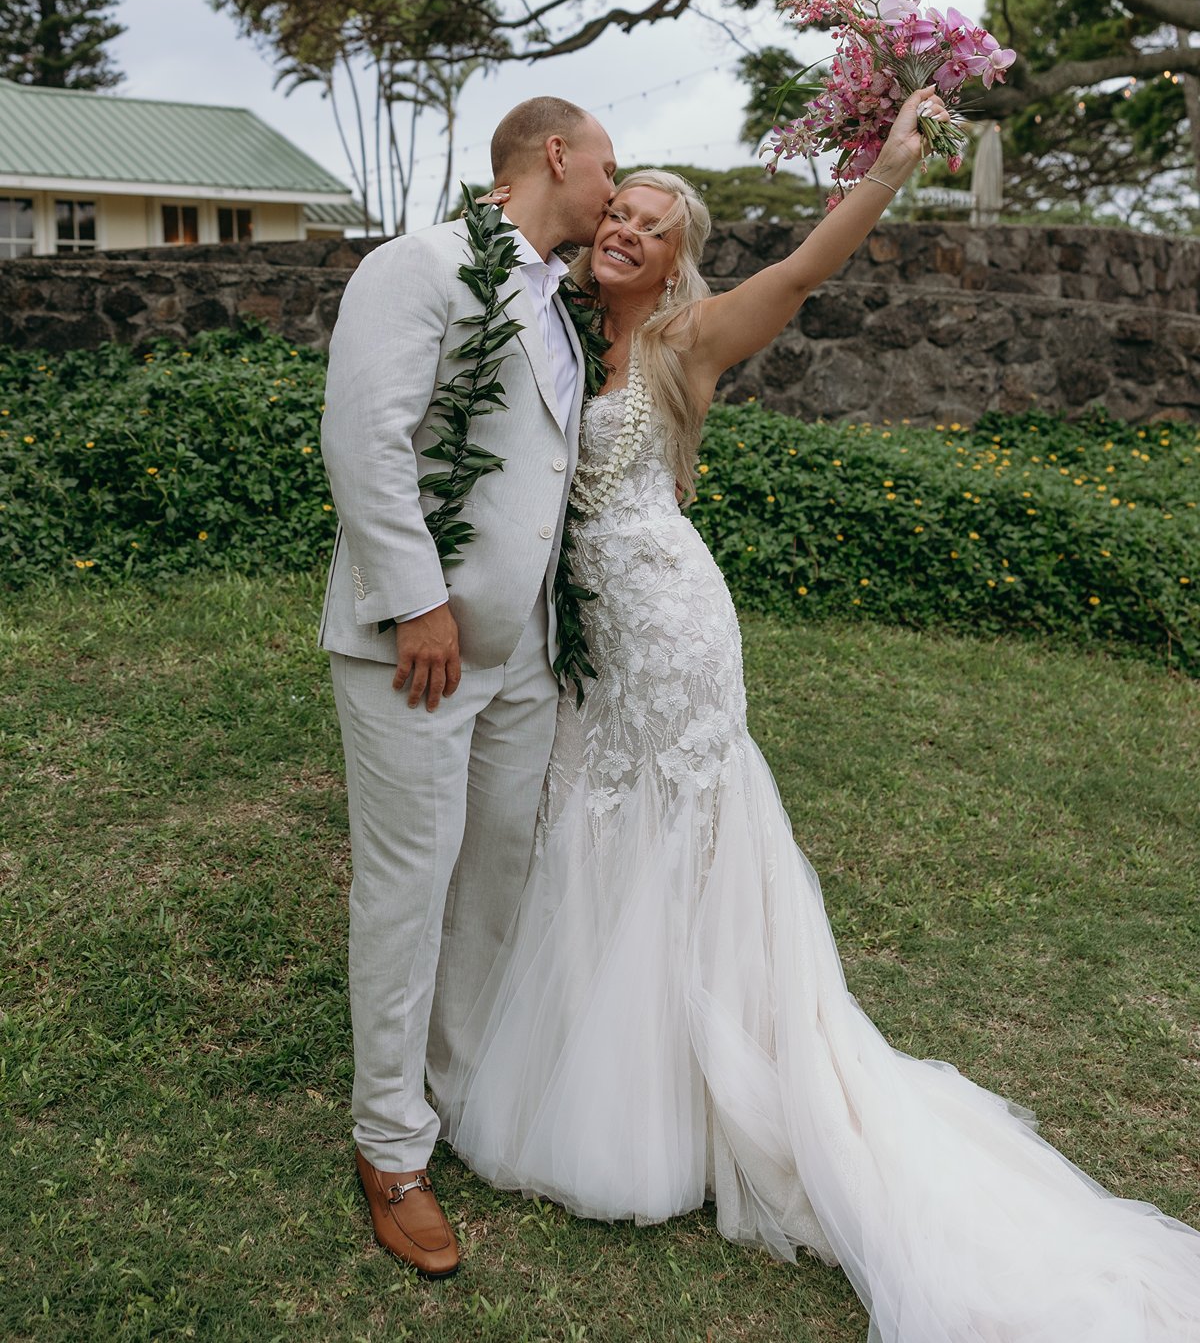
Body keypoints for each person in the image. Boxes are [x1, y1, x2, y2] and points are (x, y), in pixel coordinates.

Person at [438, 86, 1200, 1340]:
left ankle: (704, 1082)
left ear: (678, 257)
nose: (624, 230)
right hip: (589, 641)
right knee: (590, 817)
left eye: (650, 224)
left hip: (673, 631)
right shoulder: (559, 328)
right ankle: (611, 1063)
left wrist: (891, 169)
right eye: (614, 212)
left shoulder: (689, 343)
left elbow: (800, 270)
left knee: (674, 824)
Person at [319, 95, 618, 1277]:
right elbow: (366, 437)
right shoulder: (421, 264)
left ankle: (450, 1095)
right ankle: (388, 1145)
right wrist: (418, 601)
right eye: (608, 165)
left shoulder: (558, 300)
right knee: (408, 884)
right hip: (422, 649)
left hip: (524, 658)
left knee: (497, 873)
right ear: (555, 154)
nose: (613, 188)